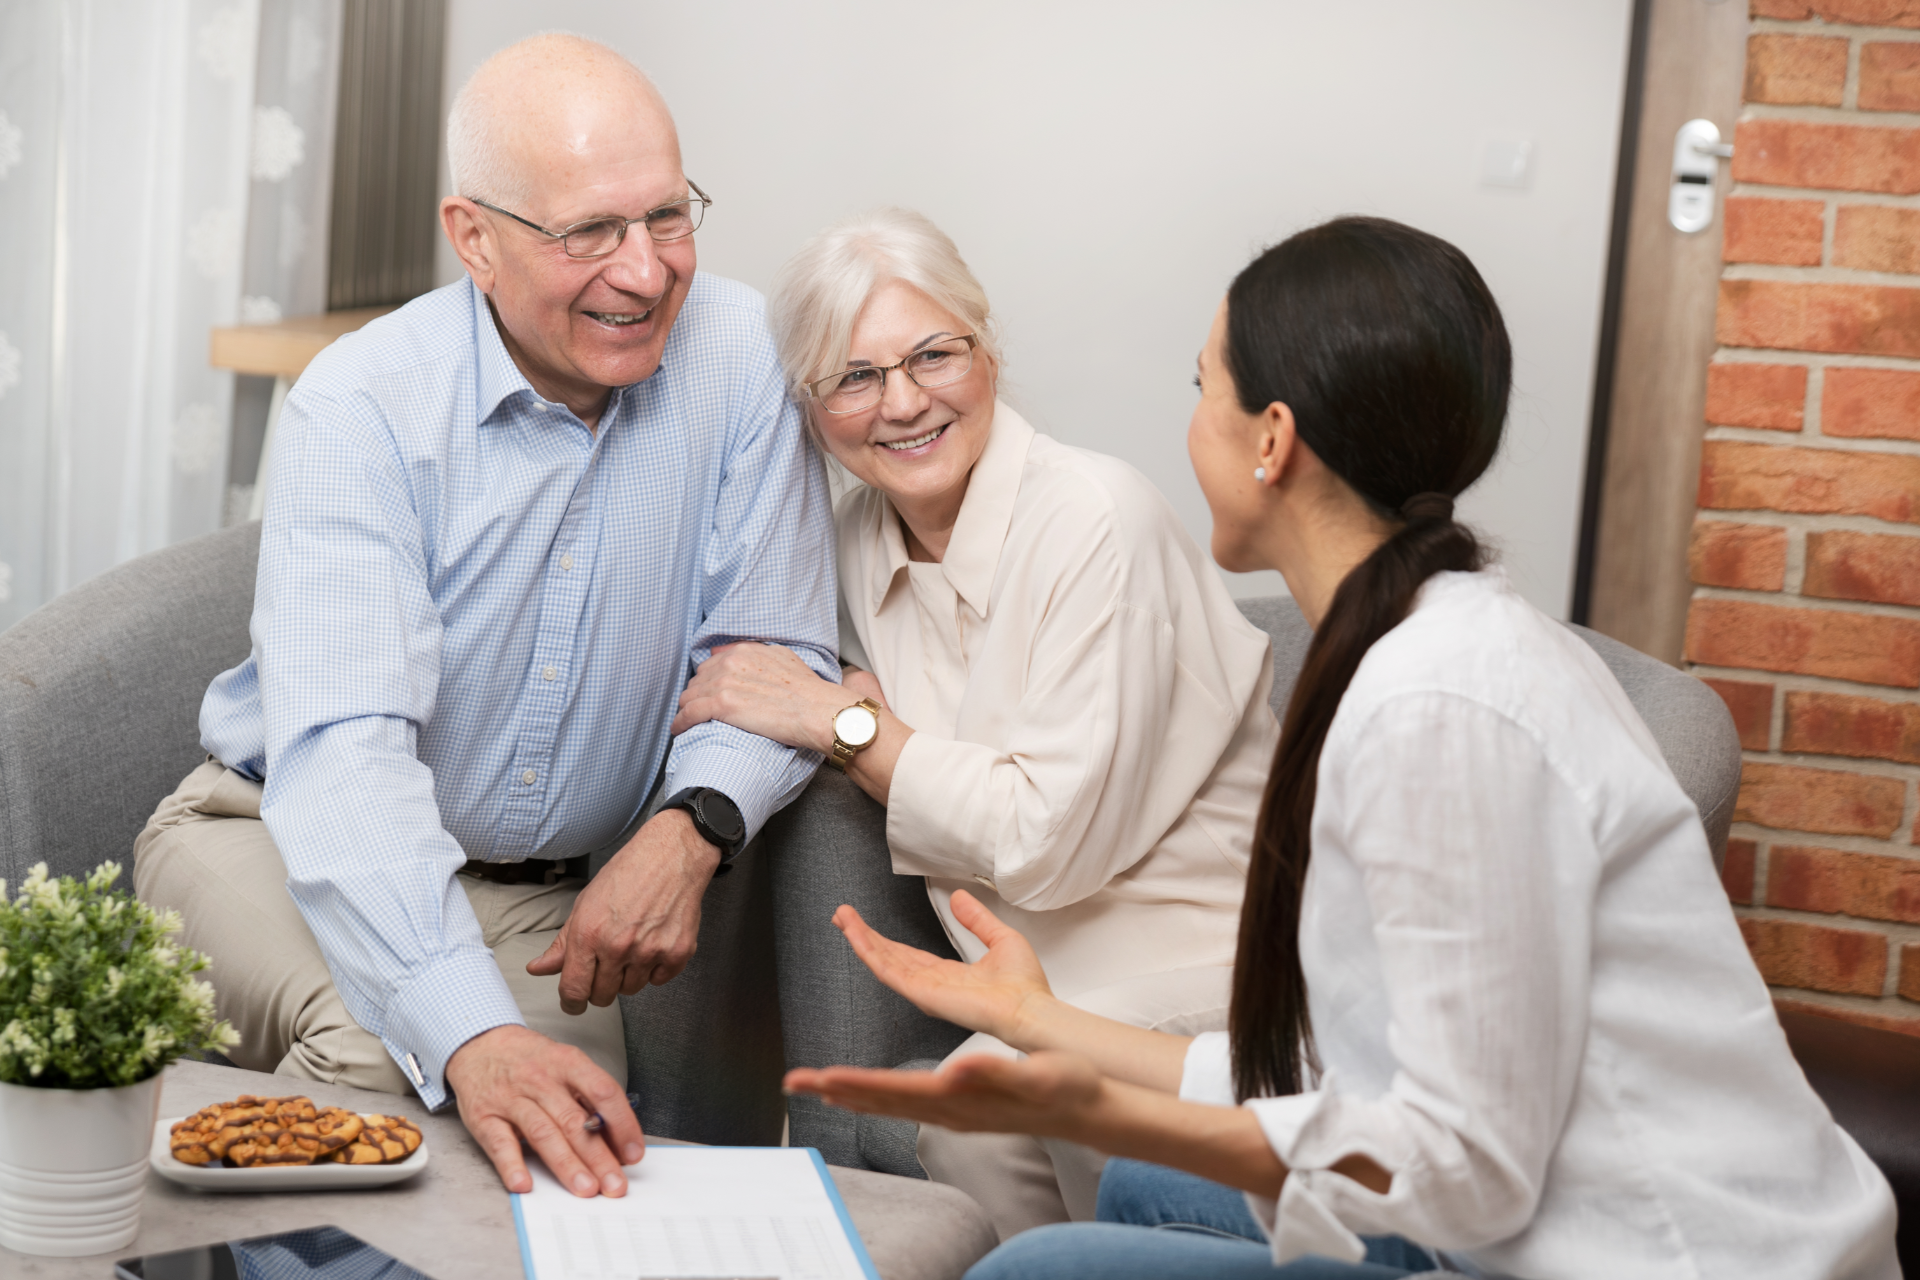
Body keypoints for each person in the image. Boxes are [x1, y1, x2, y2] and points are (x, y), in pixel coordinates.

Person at [783, 216, 1900, 1278]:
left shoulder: (1442, 711)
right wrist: (1044, 1025)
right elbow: (1350, 1067)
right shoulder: (1418, 643)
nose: (1185, 426)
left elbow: (1465, 1173)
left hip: (1651, 1255)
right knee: (1131, 1198)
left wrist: (1103, 1101)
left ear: (1271, 441)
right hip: (1529, 1215)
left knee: (1040, 1265)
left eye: (1200, 389)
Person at [132, 34, 837, 1201]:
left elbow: (773, 649)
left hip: (533, 895)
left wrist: (693, 822)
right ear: (476, 239)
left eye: (668, 216)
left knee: (578, 1149)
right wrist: (468, 1033)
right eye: (588, 234)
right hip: (267, 830)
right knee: (398, 1071)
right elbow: (347, 768)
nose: (647, 272)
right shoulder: (360, 407)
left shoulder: (740, 359)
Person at [670, 207, 1277, 1236]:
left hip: (1199, 964)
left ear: (987, 350)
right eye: (854, 378)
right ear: (812, 409)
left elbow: (1044, 845)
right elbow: (730, 673)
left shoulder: (1097, 518)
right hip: (1026, 978)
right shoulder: (856, 535)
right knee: (975, 1111)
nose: (901, 402)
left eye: (933, 355)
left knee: (1000, 1095)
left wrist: (847, 727)